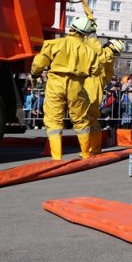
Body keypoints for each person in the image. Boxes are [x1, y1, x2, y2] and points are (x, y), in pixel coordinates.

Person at [30, 16, 99, 160]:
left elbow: (39, 63)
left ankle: (56, 157)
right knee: (81, 119)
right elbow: (96, 71)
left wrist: (35, 74)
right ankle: (86, 154)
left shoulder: (54, 44)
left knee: (54, 119)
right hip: (77, 85)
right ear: (85, 33)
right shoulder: (89, 51)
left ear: (72, 28)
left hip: (56, 82)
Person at [84, 36, 123, 155]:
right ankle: (94, 148)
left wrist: (91, 34)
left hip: (90, 92)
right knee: (92, 121)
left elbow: (96, 50)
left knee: (87, 121)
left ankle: (89, 149)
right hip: (93, 91)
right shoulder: (108, 60)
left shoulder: (106, 56)